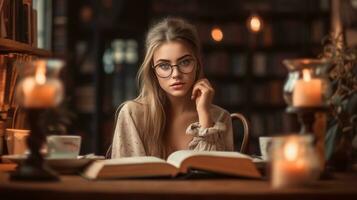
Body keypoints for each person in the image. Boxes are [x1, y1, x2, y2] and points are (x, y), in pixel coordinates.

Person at [111, 17, 233, 159]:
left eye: (185, 62)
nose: (176, 74)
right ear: (153, 71)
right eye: (164, 65)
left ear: (198, 63)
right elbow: (126, 175)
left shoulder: (220, 118)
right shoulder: (132, 114)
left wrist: (205, 117)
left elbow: (217, 176)